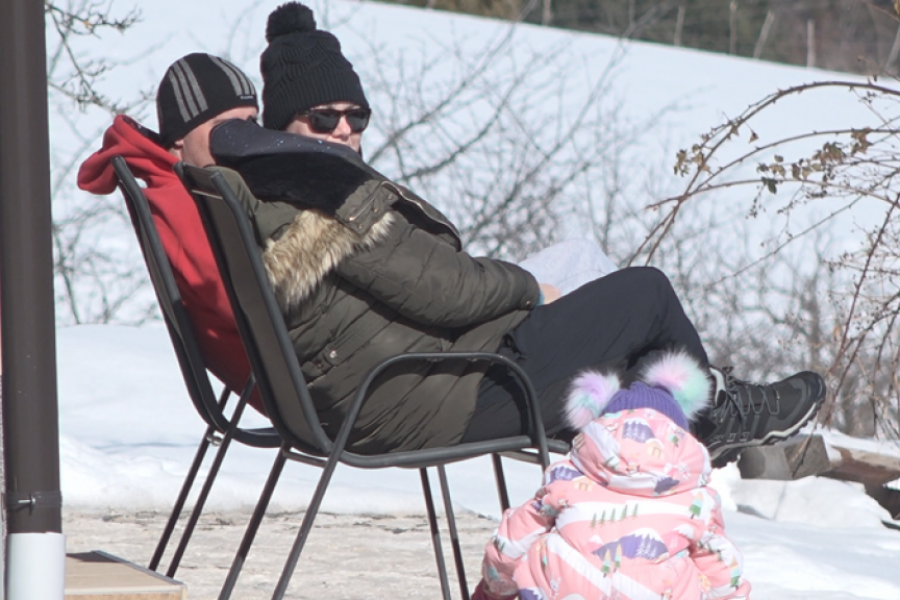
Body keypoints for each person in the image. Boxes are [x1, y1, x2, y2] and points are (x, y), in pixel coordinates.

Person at [199, 0, 825, 463]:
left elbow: (419, 286)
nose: (343, 130)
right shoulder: (321, 197)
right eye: (322, 117)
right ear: (283, 124)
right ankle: (712, 418)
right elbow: (448, 292)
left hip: (403, 380)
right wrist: (529, 290)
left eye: (354, 115)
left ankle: (700, 419)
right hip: (422, 397)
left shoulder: (278, 184)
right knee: (646, 295)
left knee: (584, 266)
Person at [472, 352, 751, 600]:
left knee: (543, 546)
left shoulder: (567, 478)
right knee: (694, 568)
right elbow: (723, 570)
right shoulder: (694, 498)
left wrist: (493, 592)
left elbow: (511, 543)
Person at [77, 53, 264, 412]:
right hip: (298, 387)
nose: (243, 141)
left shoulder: (206, 191)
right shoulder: (179, 202)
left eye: (252, 125)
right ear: (180, 138)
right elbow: (247, 304)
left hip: (290, 377)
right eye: (226, 129)